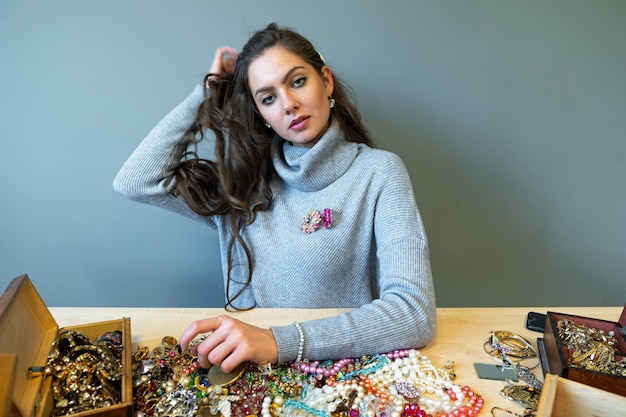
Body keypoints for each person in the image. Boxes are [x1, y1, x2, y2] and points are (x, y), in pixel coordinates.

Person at [113, 23, 436, 373]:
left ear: (325, 81)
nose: (289, 104)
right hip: (255, 381)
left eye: (297, 81)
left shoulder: (378, 172)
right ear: (260, 113)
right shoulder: (244, 186)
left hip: (346, 377)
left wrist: (278, 342)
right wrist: (206, 96)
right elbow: (136, 181)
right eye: (268, 98)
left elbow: (413, 313)